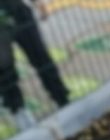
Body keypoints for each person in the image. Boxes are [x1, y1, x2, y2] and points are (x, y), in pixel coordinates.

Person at [0, 0, 69, 130]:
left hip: (17, 11)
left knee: (40, 56)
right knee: (4, 69)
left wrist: (38, 3)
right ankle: (18, 110)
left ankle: (61, 98)